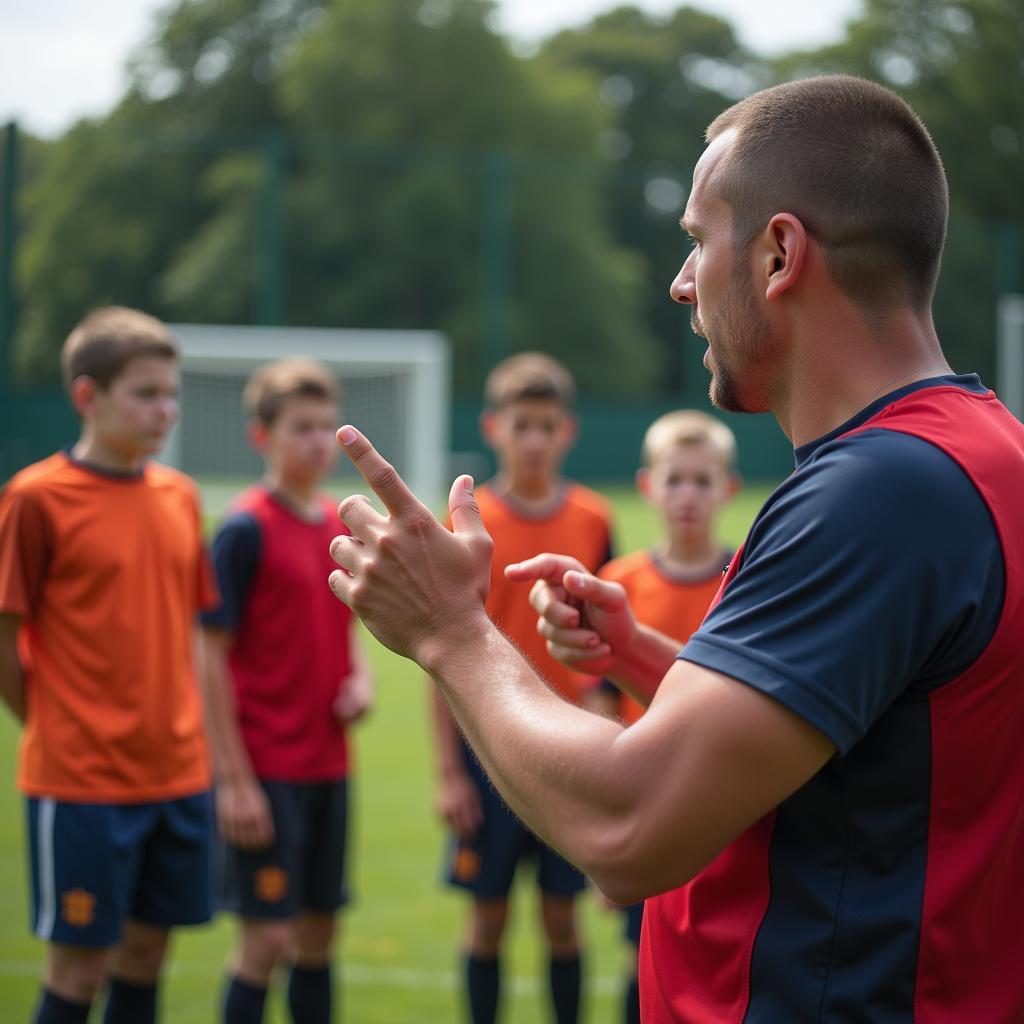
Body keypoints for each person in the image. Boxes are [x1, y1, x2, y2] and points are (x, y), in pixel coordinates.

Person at [326, 73, 1024, 1023]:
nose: (682, 281)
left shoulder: (878, 493)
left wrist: (452, 630)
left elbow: (629, 830)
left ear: (780, 254)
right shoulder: (983, 449)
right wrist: (653, 662)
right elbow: (877, 743)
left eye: (699, 240)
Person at [0, 307, 216, 1024]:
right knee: (79, 969)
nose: (165, 410)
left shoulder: (180, 498)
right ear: (87, 396)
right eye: (146, 393)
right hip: (82, 782)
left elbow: (189, 629)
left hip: (177, 772)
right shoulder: (35, 498)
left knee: (145, 958)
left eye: (171, 393)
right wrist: (52, 726)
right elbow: (5, 635)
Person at [430, 352, 613, 1024]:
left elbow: (605, 646)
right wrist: (450, 771)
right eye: (520, 424)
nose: (533, 439)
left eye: (545, 425)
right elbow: (443, 654)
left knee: (564, 920)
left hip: (569, 752)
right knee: (487, 919)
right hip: (489, 751)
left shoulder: (593, 518)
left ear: (566, 430)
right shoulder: (471, 526)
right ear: (493, 427)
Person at [200, 358, 374, 1024]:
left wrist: (357, 680)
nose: (317, 440)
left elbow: (346, 628)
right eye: (301, 426)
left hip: (330, 765)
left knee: (318, 938)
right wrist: (233, 780)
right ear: (261, 436)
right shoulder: (243, 528)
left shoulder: (338, 522)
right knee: (265, 938)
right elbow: (209, 657)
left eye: (325, 425)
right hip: (266, 771)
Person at [582, 410, 737, 1024]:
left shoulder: (746, 578)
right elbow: (596, 701)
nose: (689, 496)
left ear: (727, 487)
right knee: (642, 957)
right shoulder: (618, 582)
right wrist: (606, 815)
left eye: (703, 481)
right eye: (677, 480)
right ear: (649, 486)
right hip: (645, 799)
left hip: (726, 801)